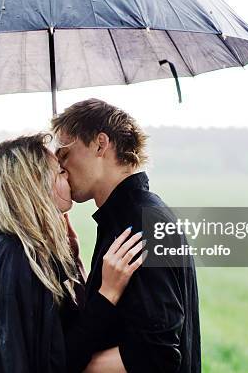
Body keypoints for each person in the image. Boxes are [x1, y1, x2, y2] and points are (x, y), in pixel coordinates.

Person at [51, 98, 201, 373]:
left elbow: (158, 355)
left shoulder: (142, 224)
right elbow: (119, 323)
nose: (62, 167)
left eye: (64, 155)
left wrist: (64, 366)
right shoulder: (124, 218)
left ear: (100, 144)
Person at [0, 133, 145, 373]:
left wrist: (74, 262)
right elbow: (54, 362)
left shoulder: (29, 251)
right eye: (60, 172)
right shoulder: (16, 257)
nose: (68, 174)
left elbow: (62, 333)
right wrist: (108, 292)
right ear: (35, 184)